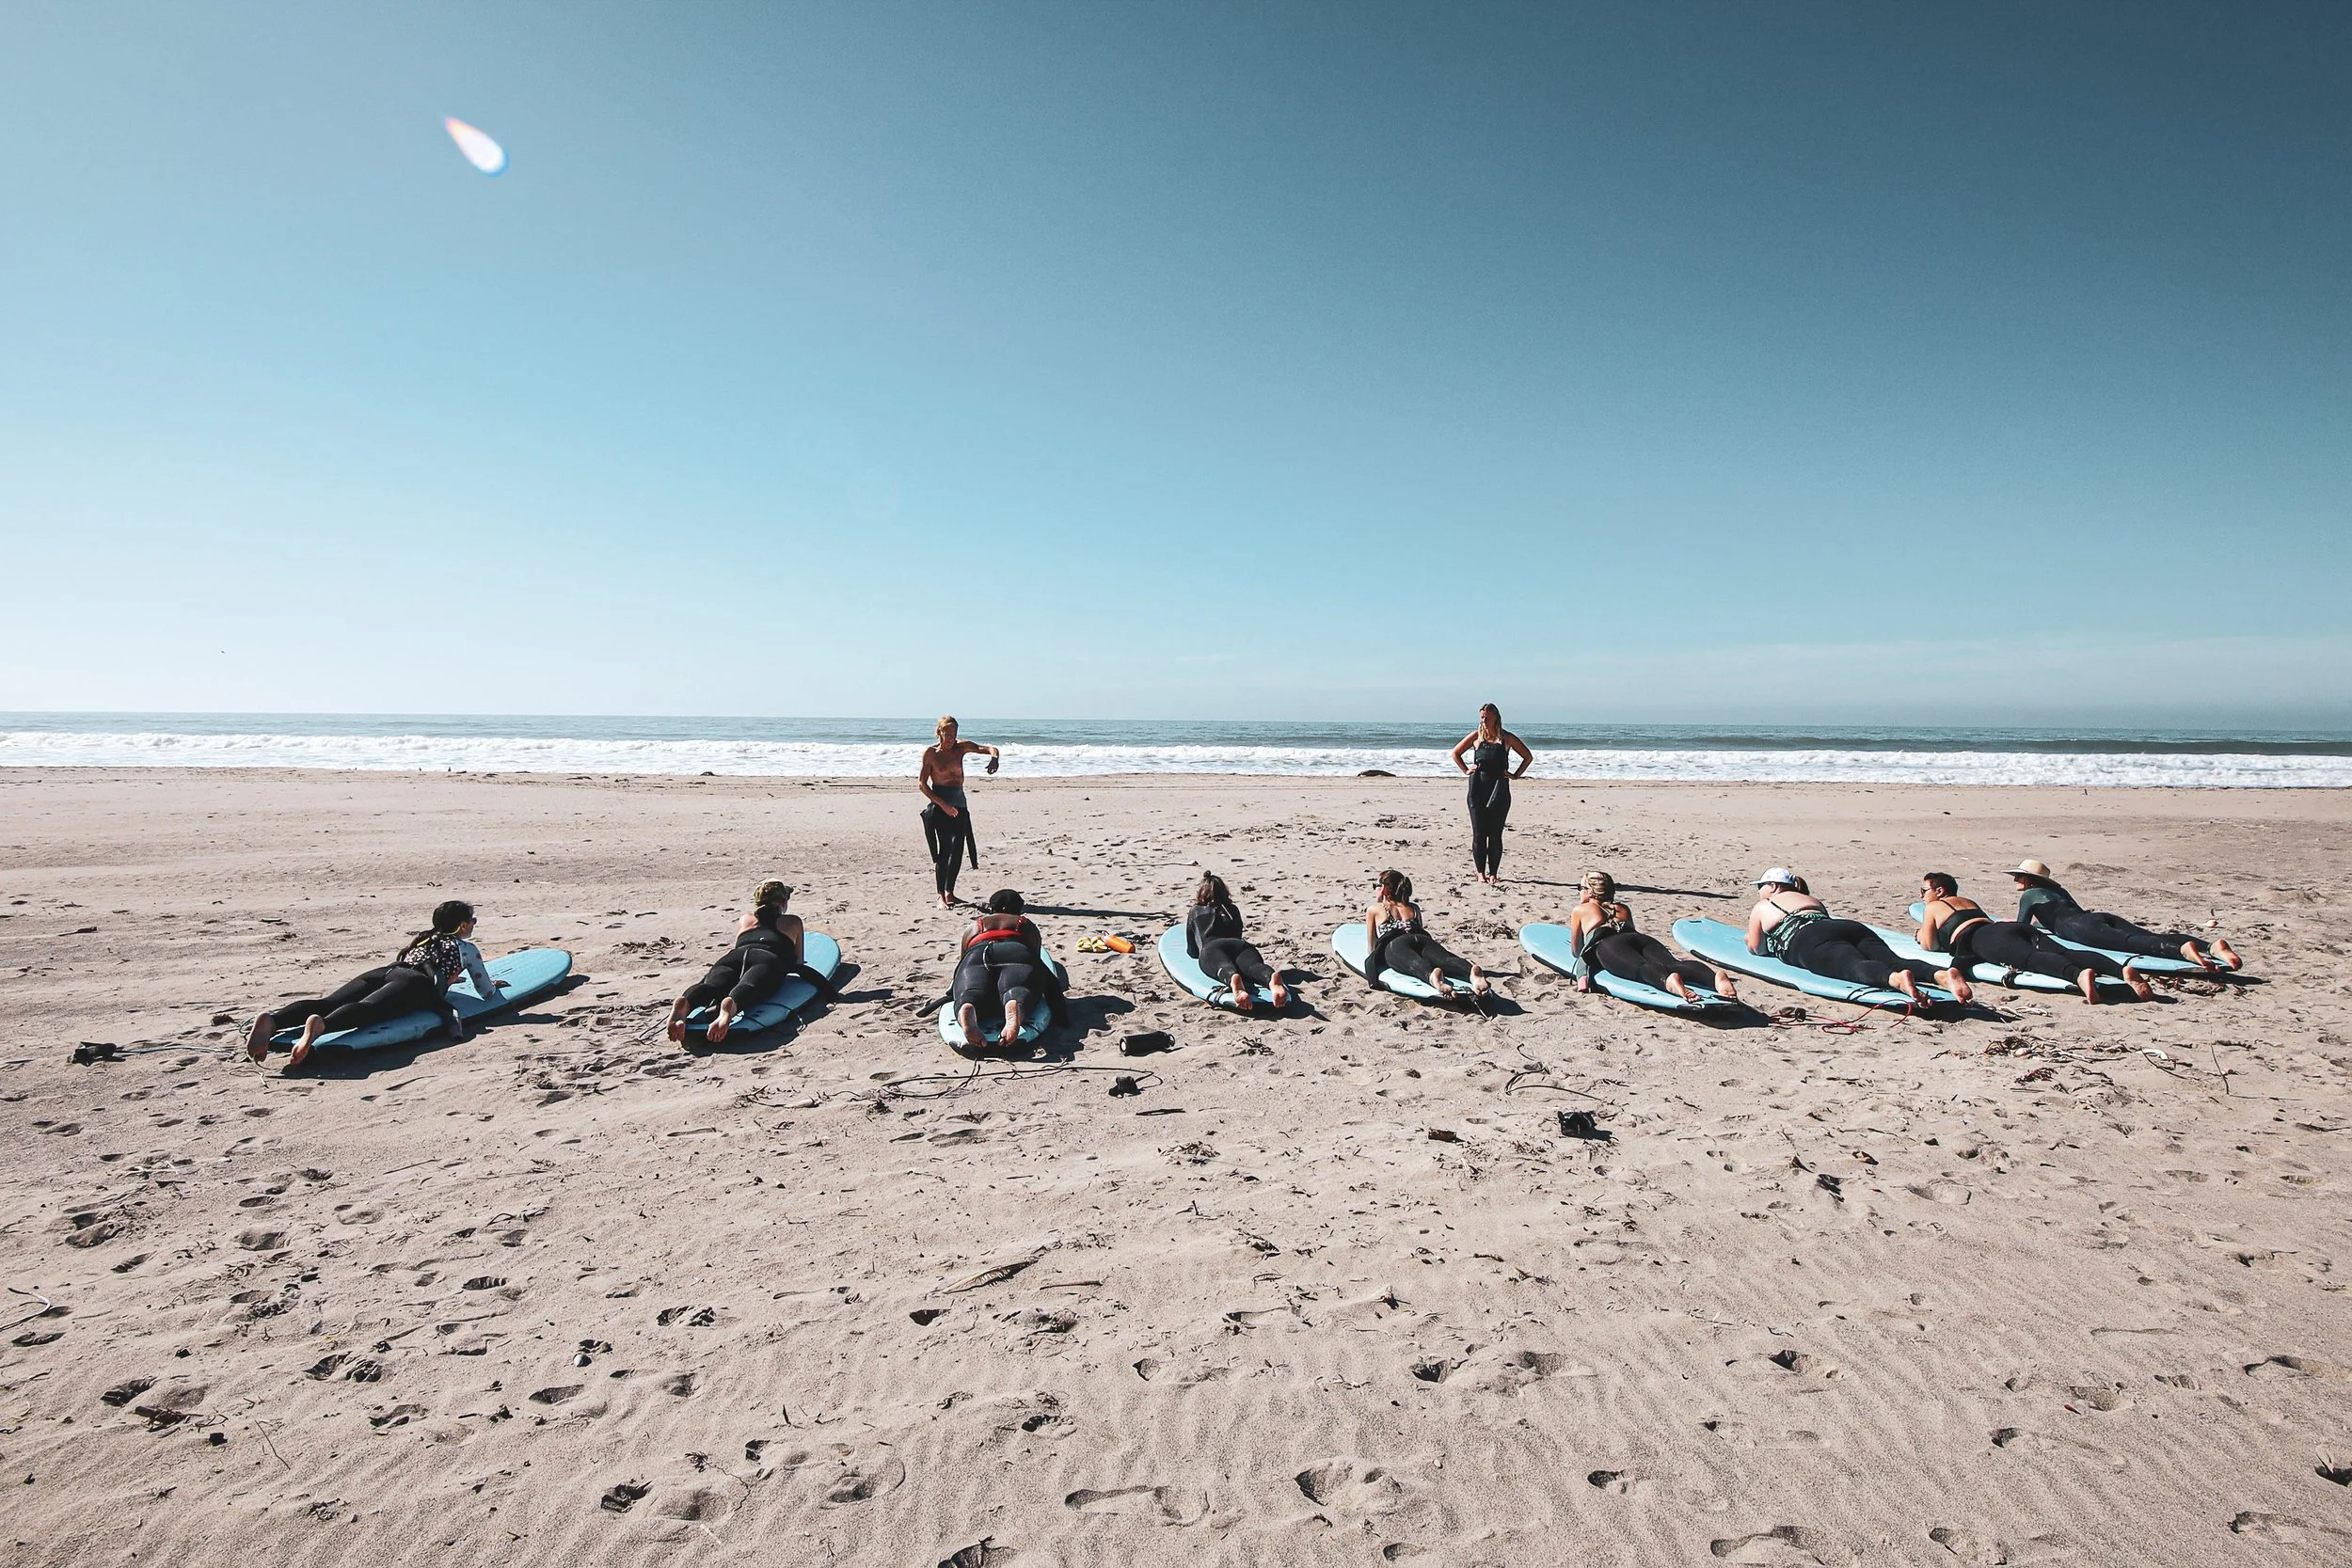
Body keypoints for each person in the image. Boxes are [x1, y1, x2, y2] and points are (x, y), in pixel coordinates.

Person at [244, 899, 508, 1070]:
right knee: (368, 1009)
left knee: (330, 1002)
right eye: (473, 920)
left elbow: (421, 964)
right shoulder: (466, 949)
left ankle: (274, 1020)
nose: (474, 924)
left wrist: (450, 978)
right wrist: (494, 986)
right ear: (462, 925)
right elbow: (485, 990)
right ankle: (322, 1026)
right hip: (414, 984)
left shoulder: (424, 940)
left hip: (389, 971)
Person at [1746, 868, 1970, 1006]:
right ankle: (1940, 975)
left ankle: (1895, 980)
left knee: (1853, 966)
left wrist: (1750, 940)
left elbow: (1757, 948)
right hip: (1845, 927)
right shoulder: (1811, 899)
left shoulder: (1763, 905)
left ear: (1773, 886)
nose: (1759, 891)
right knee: (1893, 960)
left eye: (1761, 886)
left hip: (1807, 938)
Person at [1917, 872, 2150, 1004]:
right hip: (2010, 929)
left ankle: (2077, 976)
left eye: (1924, 891)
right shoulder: (1968, 901)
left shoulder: (1934, 907)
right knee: (2065, 952)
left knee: (2031, 959)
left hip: (1981, 938)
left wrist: (1919, 936)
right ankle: (2121, 971)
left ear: (1939, 891)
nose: (1922, 896)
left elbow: (1930, 945)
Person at [665, 880, 836, 1045]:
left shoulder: (744, 919)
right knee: (749, 985)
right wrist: (829, 991)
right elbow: (798, 962)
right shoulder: (792, 921)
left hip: (732, 957)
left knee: (712, 985)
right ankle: (730, 1006)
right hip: (767, 959)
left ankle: (686, 1002)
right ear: (783, 902)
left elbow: (740, 953)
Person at [2008, 859, 2240, 973]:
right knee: (2146, 934)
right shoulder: (2058, 891)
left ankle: (2181, 952)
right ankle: (2210, 947)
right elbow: (2061, 912)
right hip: (2097, 918)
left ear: (2028, 879)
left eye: (2018, 876)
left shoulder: (2029, 896)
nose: (2016, 880)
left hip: (2080, 928)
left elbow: (2022, 927)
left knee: (2133, 944)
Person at [1565, 870, 1737, 1004]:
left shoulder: (1581, 910)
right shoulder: (1623, 908)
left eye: (1581, 888)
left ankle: (1669, 982)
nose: (1579, 892)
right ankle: (1714, 979)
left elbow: (1577, 950)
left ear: (1590, 892)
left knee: (1641, 967)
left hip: (1608, 945)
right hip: (1640, 939)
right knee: (1673, 964)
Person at [952, 889, 1064, 1050]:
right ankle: (1014, 1003)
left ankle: (968, 1004)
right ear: (1019, 909)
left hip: (978, 954)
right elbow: (1036, 964)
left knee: (972, 989)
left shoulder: (975, 925)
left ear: (991, 908)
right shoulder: (1024, 924)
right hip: (1017, 951)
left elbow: (962, 963)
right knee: (1018, 987)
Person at [1361, 869, 1491, 998]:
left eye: (1375, 886)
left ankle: (1432, 976)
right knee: (1446, 959)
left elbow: (1372, 946)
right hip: (1421, 939)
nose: (1374, 889)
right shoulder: (1413, 908)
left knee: (1413, 963)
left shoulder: (1374, 909)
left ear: (1383, 888)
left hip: (1396, 944)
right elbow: (1419, 929)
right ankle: (1471, 974)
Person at [919, 716, 999, 908]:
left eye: (955, 733)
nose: (952, 737)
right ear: (940, 732)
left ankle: (951, 893)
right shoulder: (931, 754)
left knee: (958, 850)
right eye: (948, 733)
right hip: (941, 806)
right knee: (945, 849)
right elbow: (922, 785)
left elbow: (989, 748)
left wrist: (995, 758)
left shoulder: (960, 748)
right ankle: (940, 896)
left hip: (960, 805)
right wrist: (943, 805)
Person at [1449, 704, 1533, 883]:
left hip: (1499, 789)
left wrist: (1515, 775)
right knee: (1479, 833)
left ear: (1496, 716)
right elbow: (1456, 753)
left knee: (1494, 834)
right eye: (1481, 717)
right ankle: (1481, 873)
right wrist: (1465, 770)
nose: (1483, 720)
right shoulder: (1476, 737)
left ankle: (1493, 873)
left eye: (1486, 717)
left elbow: (1528, 757)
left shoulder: (1507, 738)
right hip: (1477, 788)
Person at [1185, 872, 1291, 1010]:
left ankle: (1234, 980)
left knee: (1223, 967)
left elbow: (1193, 951)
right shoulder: (1233, 909)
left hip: (1212, 947)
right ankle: (1270, 979)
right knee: (1253, 966)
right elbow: (1237, 934)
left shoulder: (1195, 911)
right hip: (1241, 946)